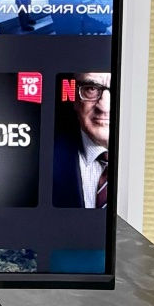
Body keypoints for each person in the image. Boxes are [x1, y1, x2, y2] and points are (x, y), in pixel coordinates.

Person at [53, 72, 112, 208]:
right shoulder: (41, 159)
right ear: (73, 96)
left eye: (118, 89)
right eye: (91, 88)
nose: (104, 107)